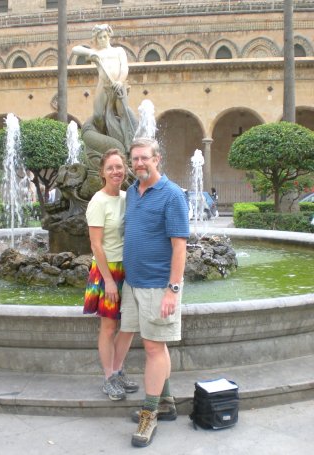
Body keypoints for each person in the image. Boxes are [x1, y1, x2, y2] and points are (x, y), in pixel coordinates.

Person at [121, 137, 190, 447]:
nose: (139, 164)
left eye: (144, 158)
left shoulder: (172, 195)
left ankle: (149, 415)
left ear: (157, 159)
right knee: (156, 347)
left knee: (152, 348)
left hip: (158, 285)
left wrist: (172, 291)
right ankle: (165, 400)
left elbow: (180, 246)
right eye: (134, 159)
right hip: (134, 283)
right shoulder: (134, 193)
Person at [84, 149, 138, 401]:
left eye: (119, 166)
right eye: (110, 168)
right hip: (108, 270)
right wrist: (108, 280)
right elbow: (96, 244)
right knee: (108, 326)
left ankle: (117, 369)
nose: (116, 171)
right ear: (102, 173)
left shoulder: (130, 197)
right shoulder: (98, 201)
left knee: (129, 325)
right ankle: (108, 378)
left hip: (129, 267)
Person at [72, 24, 136, 150]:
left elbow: (124, 68)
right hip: (103, 85)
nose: (102, 40)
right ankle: (104, 139)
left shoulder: (118, 51)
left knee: (123, 114)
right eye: (99, 38)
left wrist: (119, 81)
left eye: (104, 37)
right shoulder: (96, 53)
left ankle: (127, 143)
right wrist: (90, 52)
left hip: (118, 85)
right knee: (97, 116)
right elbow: (75, 49)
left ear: (109, 37)